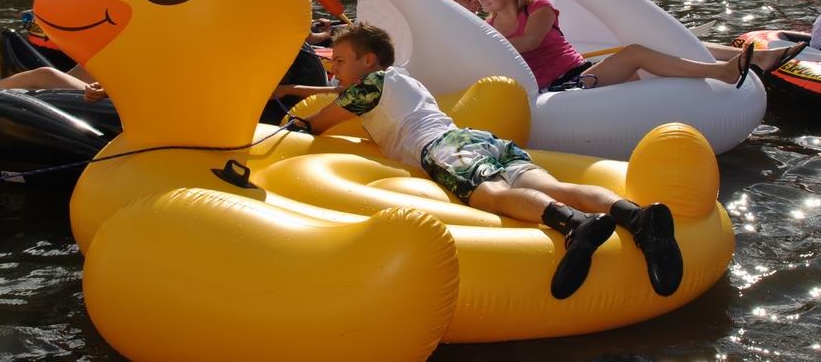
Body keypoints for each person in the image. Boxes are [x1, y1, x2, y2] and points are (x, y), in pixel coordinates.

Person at [277, 22, 685, 300]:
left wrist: (291, 112)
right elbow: (340, 95)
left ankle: (575, 225)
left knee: (489, 194)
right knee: (551, 185)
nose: (333, 68)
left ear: (368, 61)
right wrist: (299, 87)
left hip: (442, 148)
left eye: (340, 60)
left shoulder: (368, 85)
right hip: (479, 139)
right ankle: (635, 216)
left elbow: (317, 122)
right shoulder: (403, 80)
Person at [476, 0, 803, 91]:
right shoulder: (489, 26)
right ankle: (722, 72)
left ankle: (756, 59)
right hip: (562, 85)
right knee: (635, 53)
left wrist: (485, 40)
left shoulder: (538, 7)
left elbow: (531, 41)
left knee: (651, 42)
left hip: (581, 70)